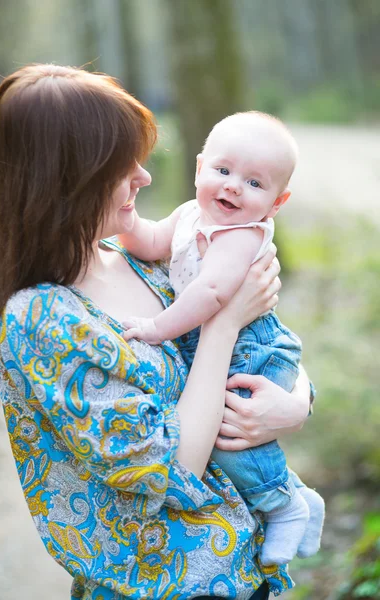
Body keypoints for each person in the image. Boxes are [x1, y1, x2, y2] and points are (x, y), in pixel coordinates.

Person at [0, 64, 313, 600]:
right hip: (162, 586)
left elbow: (260, 349)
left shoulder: (132, 262)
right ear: (70, 177)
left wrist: (296, 404)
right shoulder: (40, 319)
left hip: (243, 572)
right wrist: (223, 323)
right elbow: (174, 468)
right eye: (122, 164)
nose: (145, 176)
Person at [118, 111, 325, 566]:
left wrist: (156, 328)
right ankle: (294, 495)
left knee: (230, 436)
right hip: (225, 338)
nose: (233, 186)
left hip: (255, 343)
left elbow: (211, 293)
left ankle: (284, 503)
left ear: (276, 202)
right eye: (224, 170)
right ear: (199, 169)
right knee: (227, 431)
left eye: (255, 183)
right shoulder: (192, 214)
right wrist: (125, 224)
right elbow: (154, 242)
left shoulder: (240, 236)